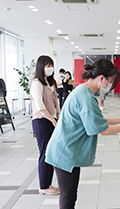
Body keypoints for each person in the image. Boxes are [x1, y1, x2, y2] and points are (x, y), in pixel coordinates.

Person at [45, 59, 120, 209]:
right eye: (110, 81)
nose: (109, 86)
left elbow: (96, 120)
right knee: (68, 197)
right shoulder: (86, 97)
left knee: (70, 195)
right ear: (101, 78)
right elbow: (102, 129)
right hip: (65, 152)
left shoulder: (83, 91)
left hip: (68, 151)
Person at [30, 55, 60, 195]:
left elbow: (55, 102)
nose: (50, 68)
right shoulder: (37, 84)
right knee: (44, 153)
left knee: (50, 153)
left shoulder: (50, 83)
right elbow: (40, 106)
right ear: (41, 67)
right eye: (47, 66)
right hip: (41, 121)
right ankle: (43, 186)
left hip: (51, 119)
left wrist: (58, 115)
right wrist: (52, 120)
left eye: (51, 65)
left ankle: (48, 184)